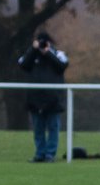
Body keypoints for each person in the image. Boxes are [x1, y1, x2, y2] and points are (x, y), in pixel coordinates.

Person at [18, 31, 69, 162]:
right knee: (38, 129)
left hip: (53, 99)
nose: (42, 45)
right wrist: (33, 50)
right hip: (35, 99)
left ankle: (50, 154)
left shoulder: (58, 54)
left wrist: (48, 52)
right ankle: (39, 154)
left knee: (53, 128)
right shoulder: (31, 55)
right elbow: (23, 65)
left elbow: (62, 66)